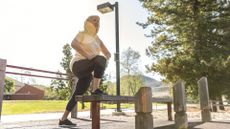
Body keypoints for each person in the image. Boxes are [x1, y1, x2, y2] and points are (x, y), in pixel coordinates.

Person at [59, 15, 111, 127]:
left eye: (98, 20)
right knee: (99, 59)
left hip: (87, 72)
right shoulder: (82, 34)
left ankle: (63, 119)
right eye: (94, 20)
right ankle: (95, 89)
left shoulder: (98, 39)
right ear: (87, 22)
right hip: (78, 64)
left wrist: (106, 58)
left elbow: (107, 53)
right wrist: (90, 56)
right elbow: (73, 44)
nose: (96, 22)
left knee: (78, 94)